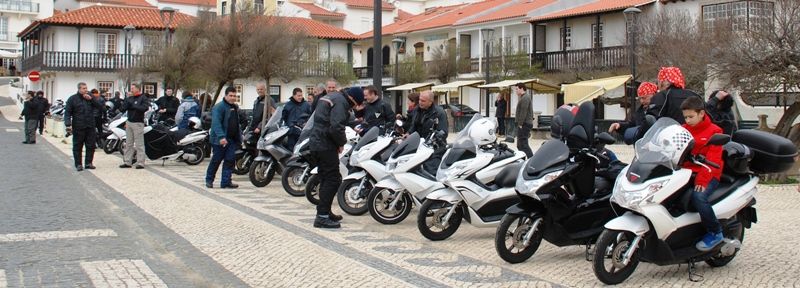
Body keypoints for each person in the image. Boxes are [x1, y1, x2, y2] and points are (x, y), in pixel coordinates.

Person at [309, 86, 363, 229]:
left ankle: (325, 211)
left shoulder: (332, 97)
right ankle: (322, 217)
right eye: (355, 104)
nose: (353, 107)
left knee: (326, 178)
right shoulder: (341, 102)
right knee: (333, 179)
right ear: (353, 99)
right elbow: (336, 127)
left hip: (316, 142)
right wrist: (341, 143)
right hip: (325, 144)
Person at [680, 96, 725, 251]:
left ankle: (715, 232)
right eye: (685, 117)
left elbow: (713, 161)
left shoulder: (715, 132)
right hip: (685, 173)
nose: (688, 120)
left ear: (701, 113)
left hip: (708, 174)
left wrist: (702, 181)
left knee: (698, 197)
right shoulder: (682, 129)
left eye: (691, 117)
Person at [206, 87, 242, 189]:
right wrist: (221, 137)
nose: (233, 98)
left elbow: (236, 122)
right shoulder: (219, 107)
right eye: (230, 95)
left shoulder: (234, 107)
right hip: (220, 140)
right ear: (225, 96)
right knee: (216, 160)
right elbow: (216, 123)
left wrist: (239, 137)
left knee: (230, 160)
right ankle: (209, 180)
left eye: (234, 96)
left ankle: (226, 181)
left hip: (232, 139)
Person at [64, 82, 104, 170]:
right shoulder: (72, 99)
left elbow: (101, 107)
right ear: (79, 89)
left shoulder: (90, 97)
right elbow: (67, 112)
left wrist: (91, 99)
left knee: (90, 145)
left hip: (90, 125)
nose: (86, 90)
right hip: (78, 125)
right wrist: (68, 124)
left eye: (86, 88)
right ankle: (78, 164)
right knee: (78, 146)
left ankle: (88, 163)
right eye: (84, 88)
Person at [408, 90, 448, 175]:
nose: (420, 102)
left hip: (435, 148)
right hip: (419, 147)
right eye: (419, 100)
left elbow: (443, 132)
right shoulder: (416, 110)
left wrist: (434, 140)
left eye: (423, 101)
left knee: (430, 171)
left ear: (430, 102)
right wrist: (408, 134)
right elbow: (413, 126)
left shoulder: (439, 112)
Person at [119, 84, 150, 169]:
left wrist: (134, 105)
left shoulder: (143, 98)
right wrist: (125, 102)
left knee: (139, 143)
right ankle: (127, 161)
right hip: (129, 122)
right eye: (131, 88)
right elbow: (122, 109)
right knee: (128, 143)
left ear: (137, 89)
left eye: (133, 88)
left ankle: (140, 162)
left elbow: (144, 108)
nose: (131, 90)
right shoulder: (130, 98)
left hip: (138, 123)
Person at [514, 84, 534, 158]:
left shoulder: (525, 98)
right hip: (524, 123)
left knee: (523, 144)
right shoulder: (523, 97)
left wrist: (520, 124)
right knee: (520, 145)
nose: (516, 91)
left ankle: (531, 160)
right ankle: (523, 159)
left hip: (524, 124)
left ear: (521, 88)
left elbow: (523, 111)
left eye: (517, 89)